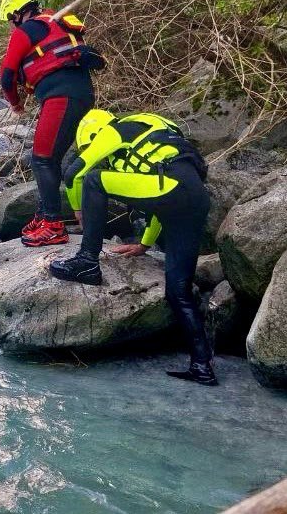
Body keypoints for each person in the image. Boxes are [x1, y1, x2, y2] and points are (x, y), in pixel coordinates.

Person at [49, 109, 218, 386]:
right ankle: (202, 366)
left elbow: (74, 173)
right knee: (178, 291)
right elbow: (159, 201)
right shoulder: (158, 130)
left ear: (93, 135)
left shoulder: (114, 130)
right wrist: (144, 244)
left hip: (171, 188)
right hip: (194, 198)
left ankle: (87, 262)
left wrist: (79, 208)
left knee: (94, 179)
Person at [0, 0, 99, 247]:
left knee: (41, 159)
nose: (10, 26)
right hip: (80, 94)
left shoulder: (25, 31)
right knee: (50, 158)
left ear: (17, 14)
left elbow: (7, 75)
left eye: (10, 19)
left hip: (61, 96)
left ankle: (53, 225)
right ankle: (44, 215)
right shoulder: (56, 23)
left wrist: (15, 104)